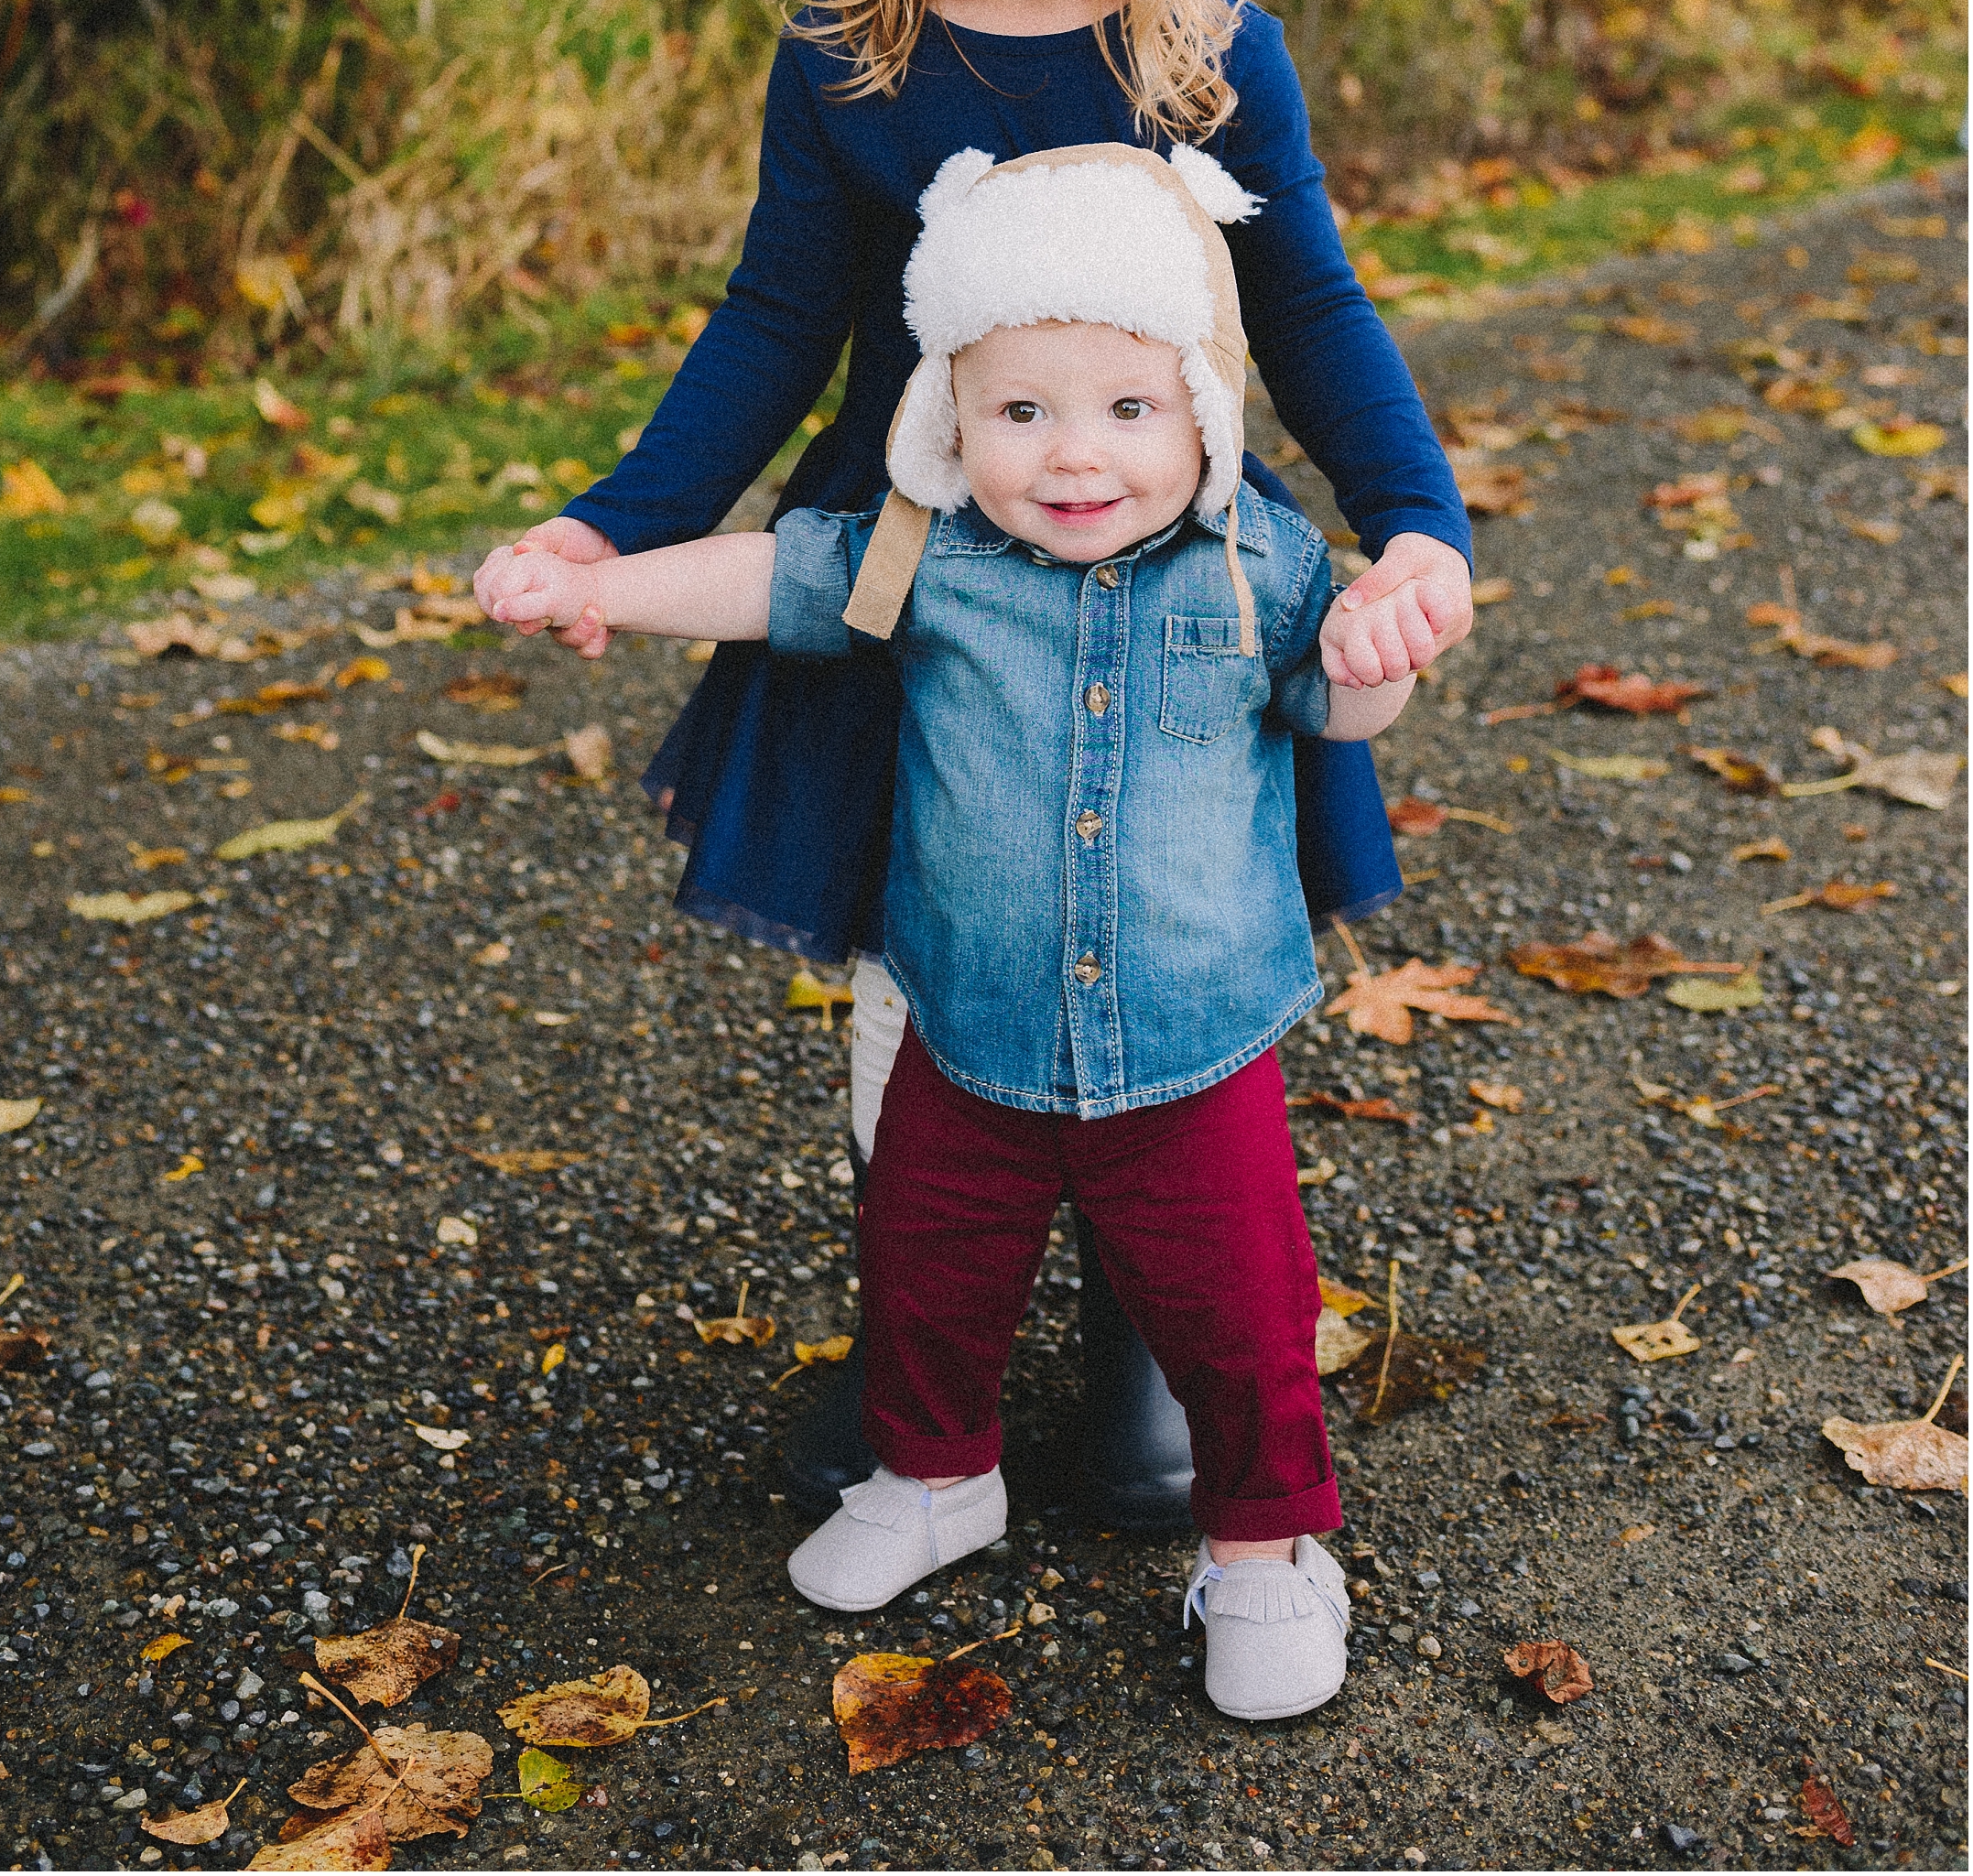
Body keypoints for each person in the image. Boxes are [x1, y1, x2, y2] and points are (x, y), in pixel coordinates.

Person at [487, 0, 1472, 1524]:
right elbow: (772, 323)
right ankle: (923, 1346)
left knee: (1164, 926)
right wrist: (619, 523)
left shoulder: (1203, 43)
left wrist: (1415, 522)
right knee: (924, 950)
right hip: (914, 565)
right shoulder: (850, 46)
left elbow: (1308, 308)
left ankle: (1145, 1364)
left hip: (1164, 549)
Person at [481, 143, 1414, 1720]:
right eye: (1021, 411)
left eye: (1129, 409)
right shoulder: (928, 556)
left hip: (1191, 1049)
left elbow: (1344, 701)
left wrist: (1387, 638)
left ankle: (1265, 1549)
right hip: (967, 1028)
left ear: (1201, 404)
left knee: (1245, 1314)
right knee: (923, 1273)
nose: (1074, 456)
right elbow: (770, 576)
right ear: (947, 418)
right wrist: (610, 584)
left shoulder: (1264, 564)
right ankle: (936, 1473)